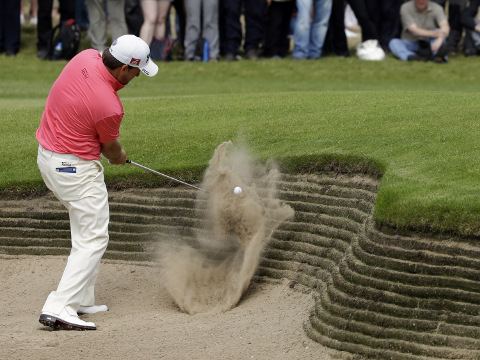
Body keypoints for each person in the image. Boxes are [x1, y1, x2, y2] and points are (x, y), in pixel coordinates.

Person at [37, 35, 158, 331]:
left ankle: (80, 298)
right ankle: (59, 306)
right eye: (137, 72)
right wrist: (121, 156)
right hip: (74, 169)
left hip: (47, 158)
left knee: (84, 231)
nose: (136, 78)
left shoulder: (85, 57)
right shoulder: (109, 105)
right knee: (93, 237)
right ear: (125, 68)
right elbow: (111, 150)